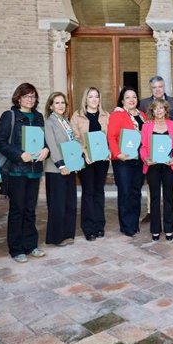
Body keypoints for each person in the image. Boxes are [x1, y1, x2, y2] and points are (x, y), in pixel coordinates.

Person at [0, 82, 49, 263]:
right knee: (17, 210)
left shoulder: (39, 117)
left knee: (30, 210)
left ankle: (31, 245)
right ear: (18, 97)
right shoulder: (9, 116)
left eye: (33, 96)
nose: (30, 99)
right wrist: (20, 155)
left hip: (34, 171)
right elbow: (0, 142)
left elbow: (45, 140)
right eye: (26, 96)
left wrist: (46, 150)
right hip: (17, 171)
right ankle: (16, 248)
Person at [140, 99, 173, 241]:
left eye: (161, 108)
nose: (159, 110)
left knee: (169, 197)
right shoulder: (147, 127)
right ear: (152, 111)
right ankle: (155, 229)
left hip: (169, 165)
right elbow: (143, 147)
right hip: (152, 165)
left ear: (166, 110)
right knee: (154, 197)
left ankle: (169, 228)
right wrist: (146, 159)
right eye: (155, 108)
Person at [71, 87, 110, 241]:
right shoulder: (77, 116)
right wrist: (83, 151)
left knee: (99, 191)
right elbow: (73, 137)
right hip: (86, 159)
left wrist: (108, 150)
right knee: (88, 192)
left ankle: (99, 225)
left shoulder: (106, 116)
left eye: (96, 97)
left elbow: (111, 136)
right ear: (85, 99)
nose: (94, 100)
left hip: (102, 160)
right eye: (91, 97)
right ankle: (88, 228)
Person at [108, 86, 146, 237]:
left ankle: (134, 223)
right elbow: (111, 136)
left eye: (134, 97)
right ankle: (126, 226)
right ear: (122, 100)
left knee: (136, 192)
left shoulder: (142, 115)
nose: (132, 100)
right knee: (125, 192)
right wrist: (117, 154)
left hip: (139, 159)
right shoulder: (118, 115)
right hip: (123, 160)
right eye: (128, 97)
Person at [43, 92, 78, 247]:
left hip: (70, 167)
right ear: (51, 106)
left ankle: (68, 233)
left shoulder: (66, 121)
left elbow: (72, 141)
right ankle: (56, 237)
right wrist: (61, 165)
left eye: (63, 102)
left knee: (69, 202)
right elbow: (52, 145)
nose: (60, 105)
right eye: (56, 103)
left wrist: (77, 160)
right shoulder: (49, 122)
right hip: (56, 169)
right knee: (57, 204)